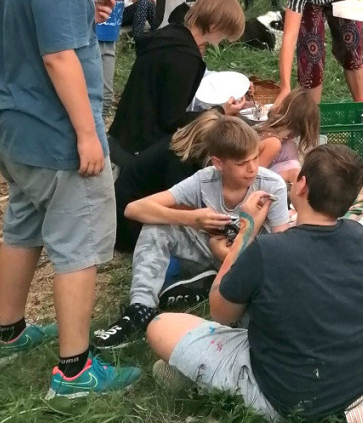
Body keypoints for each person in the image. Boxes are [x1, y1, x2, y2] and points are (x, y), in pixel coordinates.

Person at [0, 0, 138, 397]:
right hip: (57, 139)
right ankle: (75, 370)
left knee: (22, 225)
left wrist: (81, 9)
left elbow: (35, 31)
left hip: (15, 129)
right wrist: (88, 135)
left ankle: (7, 336)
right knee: (77, 242)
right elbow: (57, 57)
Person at [144, 144, 363, 423]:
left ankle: (198, 377)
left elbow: (220, 312)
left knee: (160, 327)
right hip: (359, 380)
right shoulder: (360, 235)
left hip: (289, 399)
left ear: (302, 185)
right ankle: (195, 369)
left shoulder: (268, 250)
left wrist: (246, 229)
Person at [94, 115, 291, 349]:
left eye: (255, 158)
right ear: (218, 163)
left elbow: (282, 250)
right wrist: (193, 218)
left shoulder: (271, 184)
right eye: (241, 163)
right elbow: (134, 209)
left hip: (251, 263)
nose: (252, 169)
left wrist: (240, 244)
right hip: (208, 248)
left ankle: (209, 287)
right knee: (156, 226)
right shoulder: (204, 180)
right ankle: (141, 309)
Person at [108, 0, 246, 162]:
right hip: (140, 151)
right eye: (224, 34)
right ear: (214, 27)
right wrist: (219, 111)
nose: (223, 39)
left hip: (122, 136)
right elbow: (173, 121)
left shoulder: (170, 37)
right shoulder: (185, 58)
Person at [113, 109, 222, 253]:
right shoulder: (178, 163)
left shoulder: (177, 146)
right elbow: (181, 206)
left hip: (124, 209)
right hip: (128, 225)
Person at [256, 89, 321, 185]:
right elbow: (254, 178)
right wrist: (284, 175)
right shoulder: (273, 143)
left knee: (290, 149)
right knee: (294, 165)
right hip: (244, 188)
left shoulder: (269, 130)